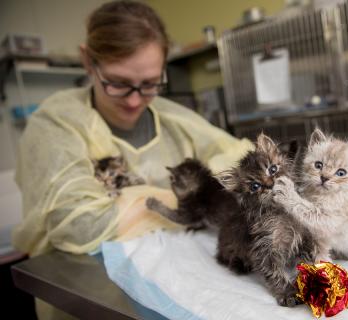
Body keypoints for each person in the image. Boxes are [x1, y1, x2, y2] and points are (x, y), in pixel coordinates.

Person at [12, 2, 252, 318]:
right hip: (87, 298)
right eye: (118, 83)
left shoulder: (175, 120)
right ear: (87, 61)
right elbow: (79, 227)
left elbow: (240, 165)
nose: (135, 99)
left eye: (150, 83)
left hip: (177, 286)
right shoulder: (55, 127)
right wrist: (194, 201)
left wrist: (129, 205)